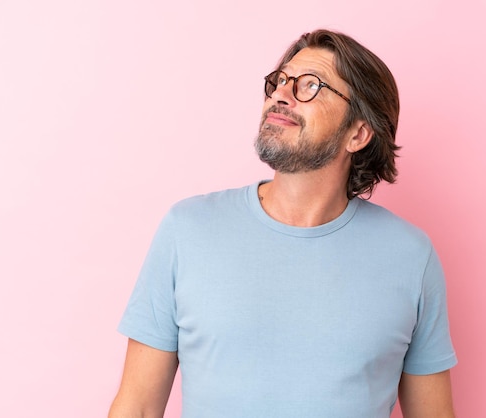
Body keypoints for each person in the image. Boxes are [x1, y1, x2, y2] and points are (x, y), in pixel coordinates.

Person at [109, 29, 457, 418]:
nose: (281, 94)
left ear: (358, 133)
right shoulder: (187, 230)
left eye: (310, 85)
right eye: (280, 81)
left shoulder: (411, 257)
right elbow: (136, 407)